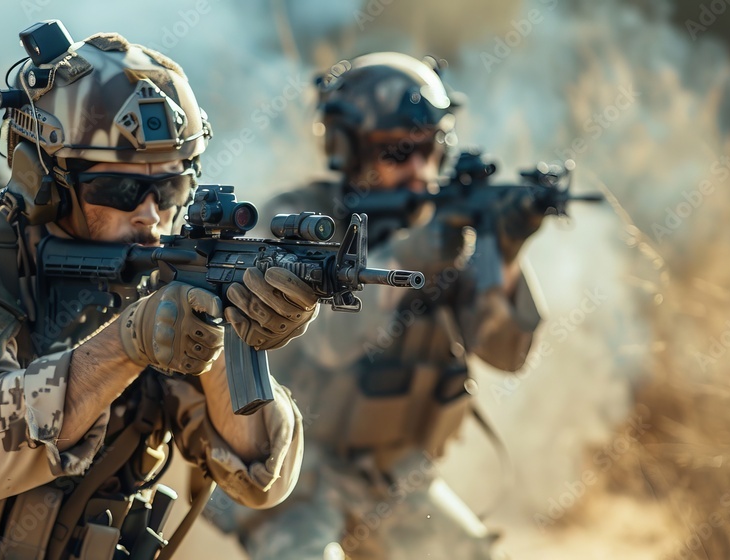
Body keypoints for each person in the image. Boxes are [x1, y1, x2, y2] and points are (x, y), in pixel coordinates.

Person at [0, 24, 315, 559]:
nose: (151, 214)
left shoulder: (161, 275)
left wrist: (221, 335)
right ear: (48, 178)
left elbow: (260, 477)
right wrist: (129, 343)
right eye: (121, 188)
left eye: (172, 187)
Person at [203, 52, 546, 559]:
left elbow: (507, 353)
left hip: (395, 479)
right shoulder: (298, 220)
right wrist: (410, 256)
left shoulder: (450, 228)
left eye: (430, 150)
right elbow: (325, 344)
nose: (419, 169)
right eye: (398, 152)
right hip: (298, 475)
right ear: (350, 151)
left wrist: (506, 255)